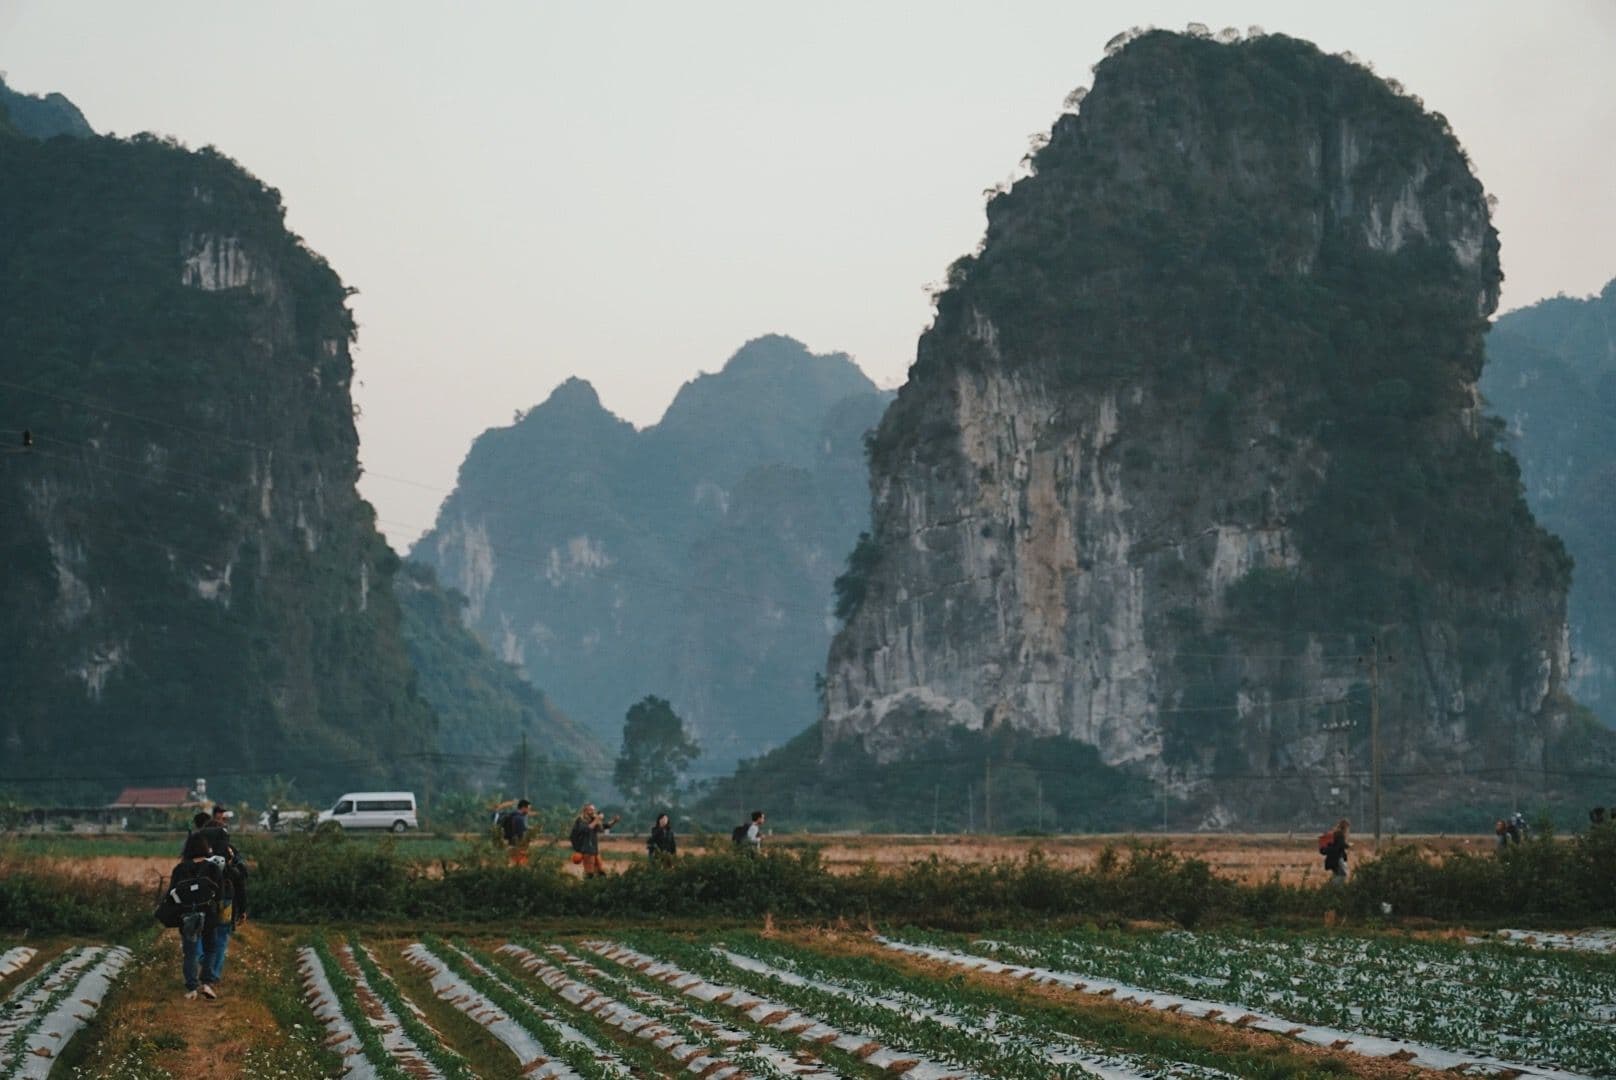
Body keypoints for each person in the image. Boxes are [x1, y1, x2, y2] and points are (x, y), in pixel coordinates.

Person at [169, 832, 224, 1000]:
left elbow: (172, 893)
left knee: (190, 952)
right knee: (210, 949)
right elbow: (220, 894)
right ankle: (207, 983)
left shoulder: (180, 868)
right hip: (209, 913)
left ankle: (192, 988)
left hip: (188, 915)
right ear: (205, 848)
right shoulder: (213, 868)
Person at [569, 803, 618, 878]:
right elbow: (587, 829)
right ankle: (587, 887)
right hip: (586, 849)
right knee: (590, 873)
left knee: (601, 872)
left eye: (594, 810)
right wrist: (597, 819)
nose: (593, 811)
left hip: (594, 849)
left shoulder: (593, 820)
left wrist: (614, 821)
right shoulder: (581, 820)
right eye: (591, 810)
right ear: (585, 811)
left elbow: (603, 826)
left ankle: (598, 887)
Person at [500, 799, 532, 866]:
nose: (529, 811)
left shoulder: (510, 816)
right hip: (517, 847)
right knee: (519, 866)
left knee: (510, 864)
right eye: (528, 809)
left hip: (509, 845)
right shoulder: (519, 818)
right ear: (523, 808)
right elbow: (520, 835)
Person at [1321, 817, 1350, 885]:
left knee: (1336, 875)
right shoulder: (1340, 834)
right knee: (1343, 875)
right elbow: (1340, 845)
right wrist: (1347, 846)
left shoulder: (1336, 833)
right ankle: (1331, 887)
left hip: (1332, 859)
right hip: (1337, 858)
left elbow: (1337, 844)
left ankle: (1332, 889)